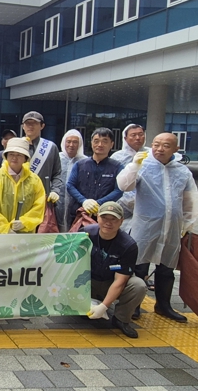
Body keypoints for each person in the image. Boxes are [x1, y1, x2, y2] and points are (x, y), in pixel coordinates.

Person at [117, 132, 198, 322]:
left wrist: (189, 225)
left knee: (166, 268)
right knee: (139, 266)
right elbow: (124, 185)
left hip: (172, 228)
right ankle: (134, 305)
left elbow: (190, 200)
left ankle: (163, 305)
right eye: (156, 144)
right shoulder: (143, 165)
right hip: (145, 226)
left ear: (176, 149)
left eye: (166, 146)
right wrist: (134, 166)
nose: (159, 149)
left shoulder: (182, 171)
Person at [84, 202, 146, 339]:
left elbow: (120, 281)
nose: (108, 222)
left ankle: (121, 319)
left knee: (138, 285)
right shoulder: (85, 234)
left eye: (114, 219)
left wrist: (104, 307)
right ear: (97, 217)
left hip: (110, 282)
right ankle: (80, 307)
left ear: (121, 221)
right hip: (86, 281)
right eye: (104, 217)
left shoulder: (128, 245)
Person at [0, 137, 45, 234]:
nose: (14, 158)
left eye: (19, 155)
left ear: (25, 158)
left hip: (24, 235)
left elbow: (39, 207)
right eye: (11, 154)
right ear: (6, 156)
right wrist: (5, 228)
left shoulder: (35, 180)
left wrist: (25, 222)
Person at [66, 127, 123, 225]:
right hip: (79, 213)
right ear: (91, 143)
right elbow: (70, 185)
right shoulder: (80, 165)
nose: (100, 144)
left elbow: (119, 190)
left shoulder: (117, 167)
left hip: (104, 215)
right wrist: (84, 201)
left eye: (105, 141)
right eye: (96, 141)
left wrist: (98, 203)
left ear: (111, 144)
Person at [21, 111, 63, 209]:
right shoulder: (15, 146)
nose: (30, 126)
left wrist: (55, 191)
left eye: (34, 123)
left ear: (42, 126)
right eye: (27, 123)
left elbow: (57, 173)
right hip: (19, 199)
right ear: (23, 126)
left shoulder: (51, 147)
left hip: (43, 200)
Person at [111, 124, 148, 232]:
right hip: (121, 205)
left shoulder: (151, 155)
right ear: (125, 138)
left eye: (141, 134)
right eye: (133, 135)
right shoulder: (117, 157)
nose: (138, 138)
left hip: (145, 205)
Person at [56, 129, 86, 232]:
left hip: (76, 204)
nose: (71, 145)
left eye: (75, 142)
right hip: (57, 204)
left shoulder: (85, 161)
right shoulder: (56, 158)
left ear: (80, 144)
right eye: (68, 141)